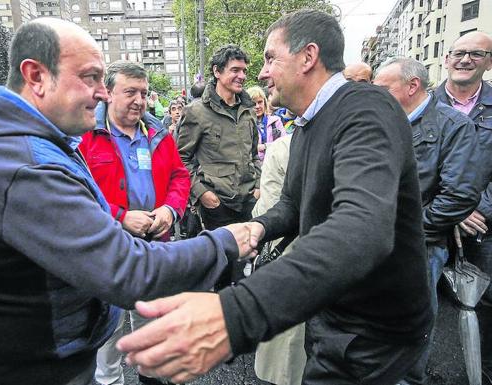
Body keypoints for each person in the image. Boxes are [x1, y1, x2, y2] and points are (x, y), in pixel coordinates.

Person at [117, 10, 433, 385]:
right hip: (333, 314)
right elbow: (295, 205)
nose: (261, 73)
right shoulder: (305, 124)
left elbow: (361, 228)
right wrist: (258, 227)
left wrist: (233, 316)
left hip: (374, 332)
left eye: (270, 58)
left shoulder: (365, 108)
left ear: (308, 56)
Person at [0, 18, 252, 385]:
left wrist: (169, 208)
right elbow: (127, 269)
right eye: (90, 77)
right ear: (35, 76)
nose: (103, 93)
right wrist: (227, 241)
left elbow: (175, 176)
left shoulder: (41, 144)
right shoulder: (20, 165)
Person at [78, 60, 190, 385]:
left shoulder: (157, 133)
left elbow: (180, 176)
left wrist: (170, 210)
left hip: (153, 249)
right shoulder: (86, 137)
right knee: (107, 344)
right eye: (130, 92)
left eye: (143, 92)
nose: (139, 100)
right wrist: (121, 217)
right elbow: (77, 192)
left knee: (152, 333)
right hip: (106, 253)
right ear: (108, 94)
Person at [374, 57, 480, 385]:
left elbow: (460, 195)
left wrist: (412, 229)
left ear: (412, 86)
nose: (375, 96)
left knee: (412, 323)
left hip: (421, 245)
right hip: (377, 240)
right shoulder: (384, 119)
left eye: (383, 89)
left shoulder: (453, 126)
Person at [177, 44, 261, 289]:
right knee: (222, 275)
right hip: (217, 206)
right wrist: (202, 193)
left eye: (244, 71)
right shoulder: (196, 112)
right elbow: (181, 159)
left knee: (249, 270)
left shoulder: (248, 111)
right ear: (217, 72)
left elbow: (254, 153)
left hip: (248, 201)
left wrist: (258, 184)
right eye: (235, 70)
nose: (242, 76)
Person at [434, 31, 492, 384]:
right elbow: (416, 165)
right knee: (429, 303)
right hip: (437, 221)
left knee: (486, 304)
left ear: (488, 61)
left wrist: (477, 208)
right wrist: (453, 209)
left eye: (476, 53)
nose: (464, 59)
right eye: (458, 52)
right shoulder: (424, 104)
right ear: (446, 58)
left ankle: (481, 372)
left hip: (484, 225)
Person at [250, 131, 305, 385]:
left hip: (287, 256)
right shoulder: (355, 140)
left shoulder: (282, 147)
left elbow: (268, 208)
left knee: (285, 350)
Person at [247, 86, 283, 161]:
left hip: (274, 164)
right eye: (253, 103)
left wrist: (264, 146)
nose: (257, 106)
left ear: (265, 102)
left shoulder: (276, 121)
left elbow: (284, 144)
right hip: (254, 167)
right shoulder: (244, 124)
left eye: (260, 102)